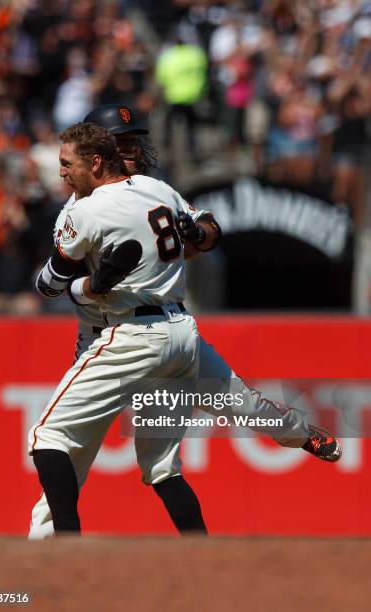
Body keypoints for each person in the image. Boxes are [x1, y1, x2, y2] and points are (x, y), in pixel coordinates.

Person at [29, 106, 341, 539]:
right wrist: (94, 285)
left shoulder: (150, 189)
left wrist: (195, 235)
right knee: (98, 458)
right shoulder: (83, 210)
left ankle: (61, 546)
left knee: (238, 408)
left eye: (135, 141)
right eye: (125, 142)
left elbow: (207, 231)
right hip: (119, 335)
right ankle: (46, 551)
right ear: (99, 151)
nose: (134, 149)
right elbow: (64, 285)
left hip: (134, 333)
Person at [29, 122, 207, 535]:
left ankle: (66, 544)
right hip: (178, 329)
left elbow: (49, 285)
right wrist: (199, 233)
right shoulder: (155, 189)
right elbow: (206, 232)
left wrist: (87, 286)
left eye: (65, 163)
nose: (60, 172)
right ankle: (204, 553)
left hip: (125, 335)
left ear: (94, 162)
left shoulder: (85, 209)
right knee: (163, 466)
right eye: (122, 143)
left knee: (48, 436)